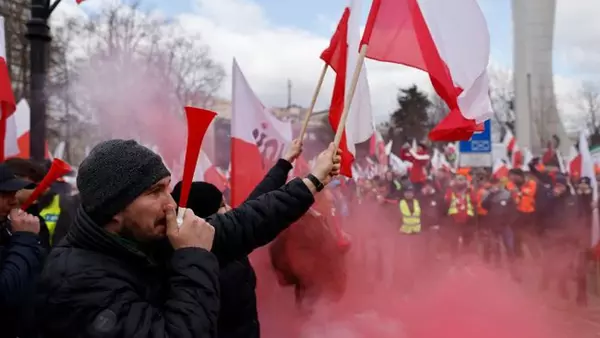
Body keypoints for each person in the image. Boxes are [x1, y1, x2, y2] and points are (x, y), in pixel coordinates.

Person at [36, 139, 340, 338]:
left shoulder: (147, 235)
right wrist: (193, 255)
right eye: (154, 192)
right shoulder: (77, 280)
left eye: (168, 188)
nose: (171, 204)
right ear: (113, 209)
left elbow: (244, 222)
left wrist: (311, 182)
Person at [171, 139, 302, 338]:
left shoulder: (221, 241)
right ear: (205, 218)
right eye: (222, 206)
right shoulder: (200, 266)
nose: (230, 209)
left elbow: (258, 203)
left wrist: (284, 163)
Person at [0, 163, 46, 338]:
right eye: (4, 194)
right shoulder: (19, 235)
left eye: (13, 193)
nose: (13, 200)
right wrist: (25, 240)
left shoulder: (7, 227)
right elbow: (5, 295)